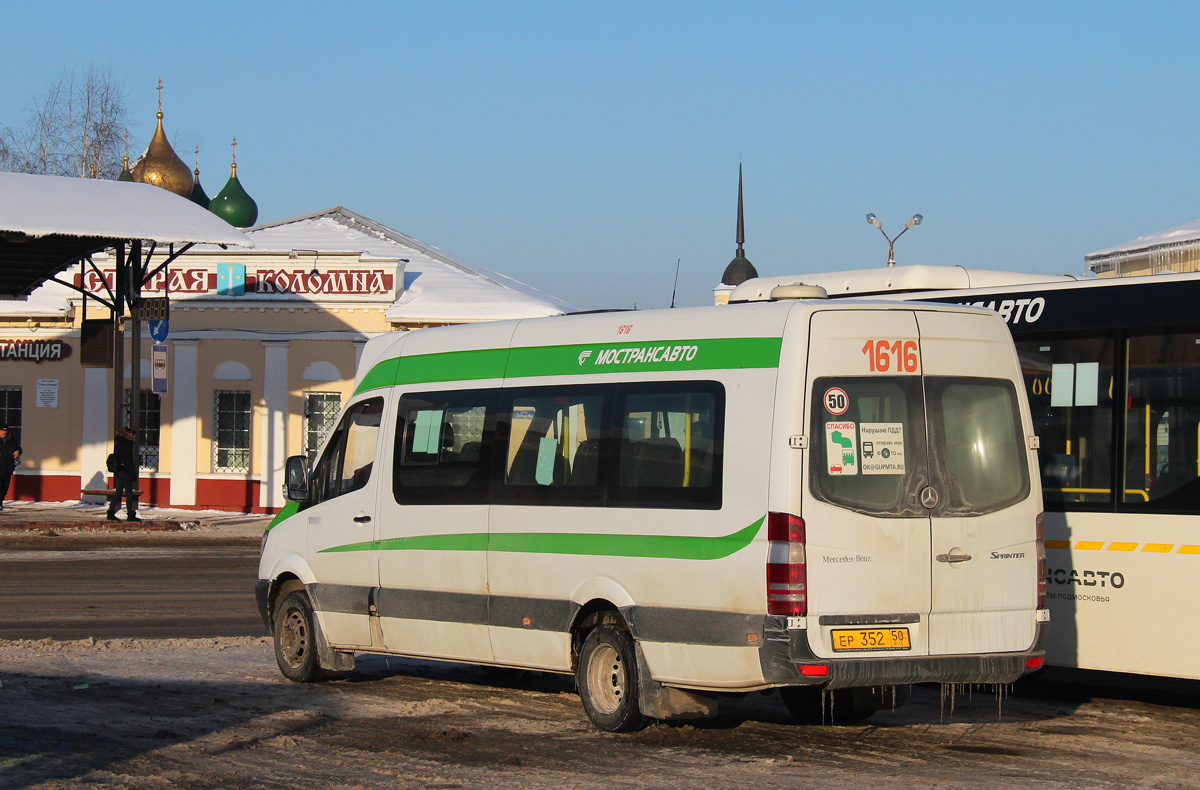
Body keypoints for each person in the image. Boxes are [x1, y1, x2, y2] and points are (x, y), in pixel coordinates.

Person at [108, 427, 141, 522]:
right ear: (129, 435)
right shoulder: (127, 444)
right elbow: (129, 461)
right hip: (126, 472)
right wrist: (133, 474)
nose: (134, 437)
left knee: (118, 492)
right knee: (129, 493)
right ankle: (130, 514)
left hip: (118, 471)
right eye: (133, 435)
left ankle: (110, 512)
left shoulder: (118, 442)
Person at [0, 423, 21, 510]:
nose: (4, 432)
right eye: (2, 430)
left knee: (5, 487)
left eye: (5, 430)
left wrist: (18, 452)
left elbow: (19, 448)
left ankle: (0, 502)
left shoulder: (11, 440)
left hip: (8, 468)